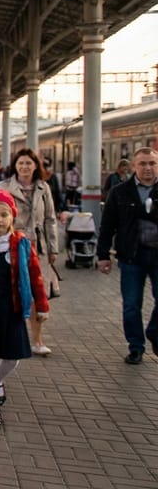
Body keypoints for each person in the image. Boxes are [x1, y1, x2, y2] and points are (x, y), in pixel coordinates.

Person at [0, 190, 48, 428]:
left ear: (12, 217)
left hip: (13, 309)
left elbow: (35, 275)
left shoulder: (22, 243)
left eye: (4, 214)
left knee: (13, 358)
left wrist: (41, 305)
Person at [97, 147, 158, 364]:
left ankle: (153, 331)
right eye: (143, 163)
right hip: (131, 256)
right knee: (132, 304)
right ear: (134, 166)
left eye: (152, 163)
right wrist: (103, 255)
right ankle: (136, 347)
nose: (148, 168)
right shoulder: (120, 192)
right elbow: (107, 225)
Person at [0, 149, 58, 356]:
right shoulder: (4, 187)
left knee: (36, 293)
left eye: (28, 163)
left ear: (35, 166)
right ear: (15, 165)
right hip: (11, 243)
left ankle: (37, 340)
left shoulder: (43, 188)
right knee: (10, 291)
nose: (24, 167)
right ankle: (8, 337)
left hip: (37, 246)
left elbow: (50, 219)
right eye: (21, 163)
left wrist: (53, 248)